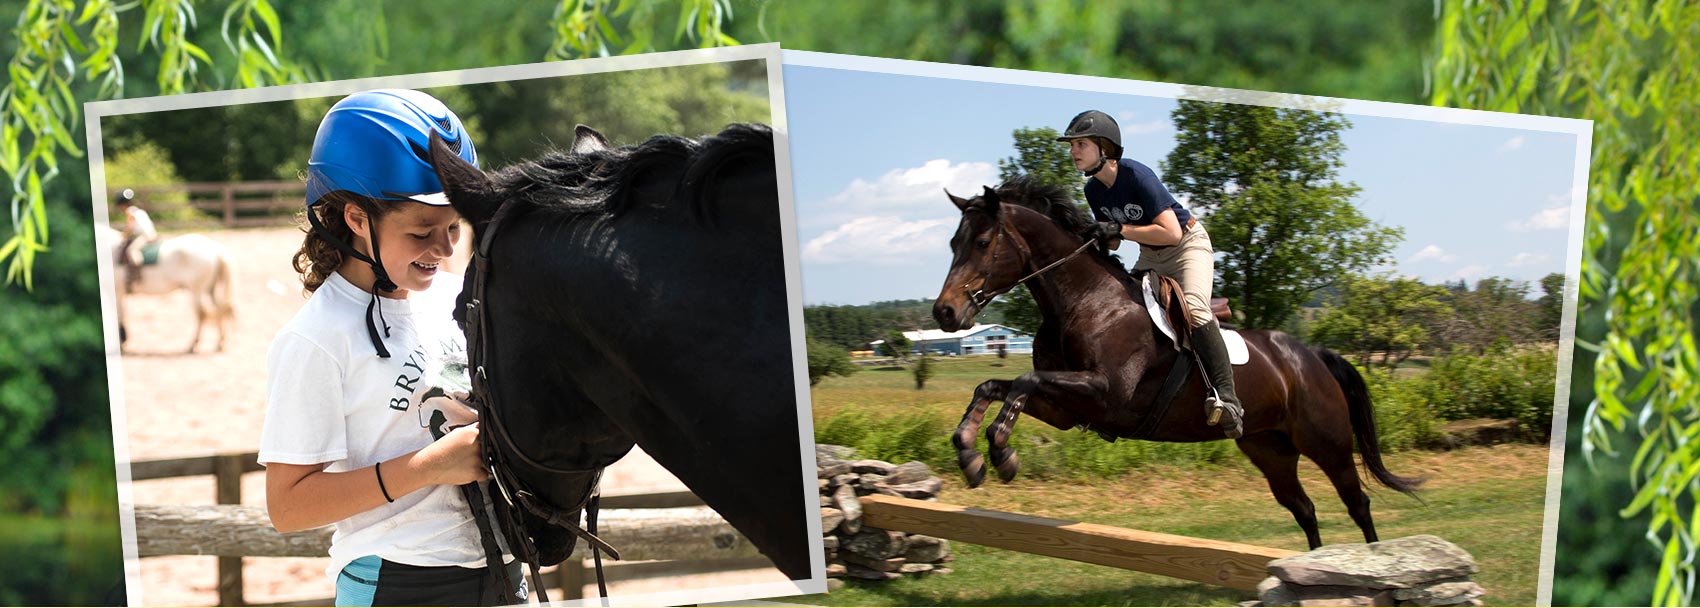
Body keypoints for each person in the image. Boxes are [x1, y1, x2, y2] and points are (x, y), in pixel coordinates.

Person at [258, 89, 521, 606]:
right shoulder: (315, 339)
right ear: (356, 219)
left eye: (453, 227)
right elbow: (287, 507)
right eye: (422, 231)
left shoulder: (456, 296)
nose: (445, 250)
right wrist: (428, 467)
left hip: (503, 566)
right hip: (399, 582)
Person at [1057, 109, 1245, 439]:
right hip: (1151, 255)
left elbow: (1170, 233)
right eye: (1072, 145)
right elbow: (1115, 242)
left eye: (1080, 144)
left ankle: (1227, 398)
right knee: (1123, 310)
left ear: (1105, 147)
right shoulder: (1093, 192)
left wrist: (1119, 228)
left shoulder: (1137, 175)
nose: (1073, 151)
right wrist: (1094, 235)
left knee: (1196, 310)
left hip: (1187, 246)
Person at [115, 189, 156, 293]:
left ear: (122, 204)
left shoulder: (130, 212)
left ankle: (137, 273)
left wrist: (123, 236)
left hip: (145, 235)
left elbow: (129, 227)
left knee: (132, 250)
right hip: (149, 233)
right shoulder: (138, 210)